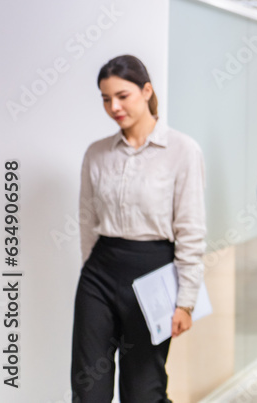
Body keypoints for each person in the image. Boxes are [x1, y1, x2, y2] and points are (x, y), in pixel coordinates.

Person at [72, 55, 206, 402]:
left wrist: (186, 301)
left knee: (143, 392)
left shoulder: (182, 150)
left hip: (153, 272)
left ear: (146, 91)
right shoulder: (97, 153)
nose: (113, 106)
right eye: (105, 98)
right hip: (100, 273)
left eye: (122, 95)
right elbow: (87, 220)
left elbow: (191, 229)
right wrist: (93, 265)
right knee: (88, 389)